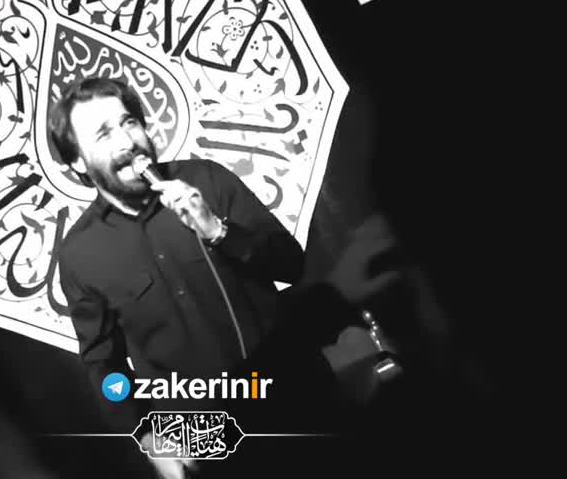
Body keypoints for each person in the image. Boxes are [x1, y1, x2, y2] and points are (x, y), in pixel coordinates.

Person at [50, 77, 355, 477]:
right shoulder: (79, 255)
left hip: (299, 399)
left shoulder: (208, 179)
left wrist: (218, 230)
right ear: (77, 161)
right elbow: (104, 365)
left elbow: (290, 264)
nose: (127, 142)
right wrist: (145, 435)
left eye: (129, 123)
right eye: (104, 134)